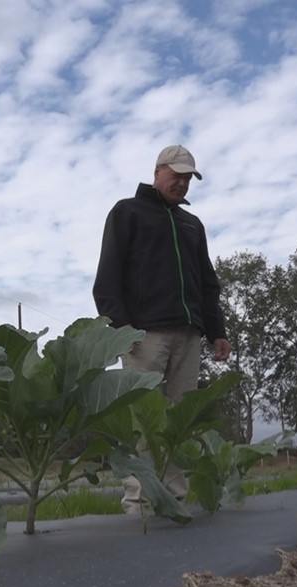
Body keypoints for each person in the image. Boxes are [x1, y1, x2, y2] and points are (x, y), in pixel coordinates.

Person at [93, 144, 233, 513]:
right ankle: (138, 501)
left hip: (189, 335)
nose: (182, 183)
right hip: (144, 335)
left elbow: (206, 284)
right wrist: (122, 330)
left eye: (188, 178)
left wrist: (217, 331)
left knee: (179, 422)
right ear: (157, 172)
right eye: (176, 175)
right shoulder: (128, 213)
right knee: (143, 417)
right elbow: (107, 277)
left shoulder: (192, 225)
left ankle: (174, 499)